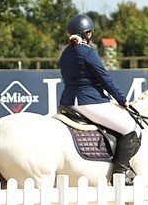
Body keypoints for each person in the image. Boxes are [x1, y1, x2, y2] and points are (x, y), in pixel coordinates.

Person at [59, 14, 141, 184]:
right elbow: (104, 78)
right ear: (88, 33)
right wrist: (122, 100)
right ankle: (120, 174)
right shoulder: (88, 52)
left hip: (67, 101)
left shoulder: (65, 53)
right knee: (130, 128)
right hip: (88, 101)